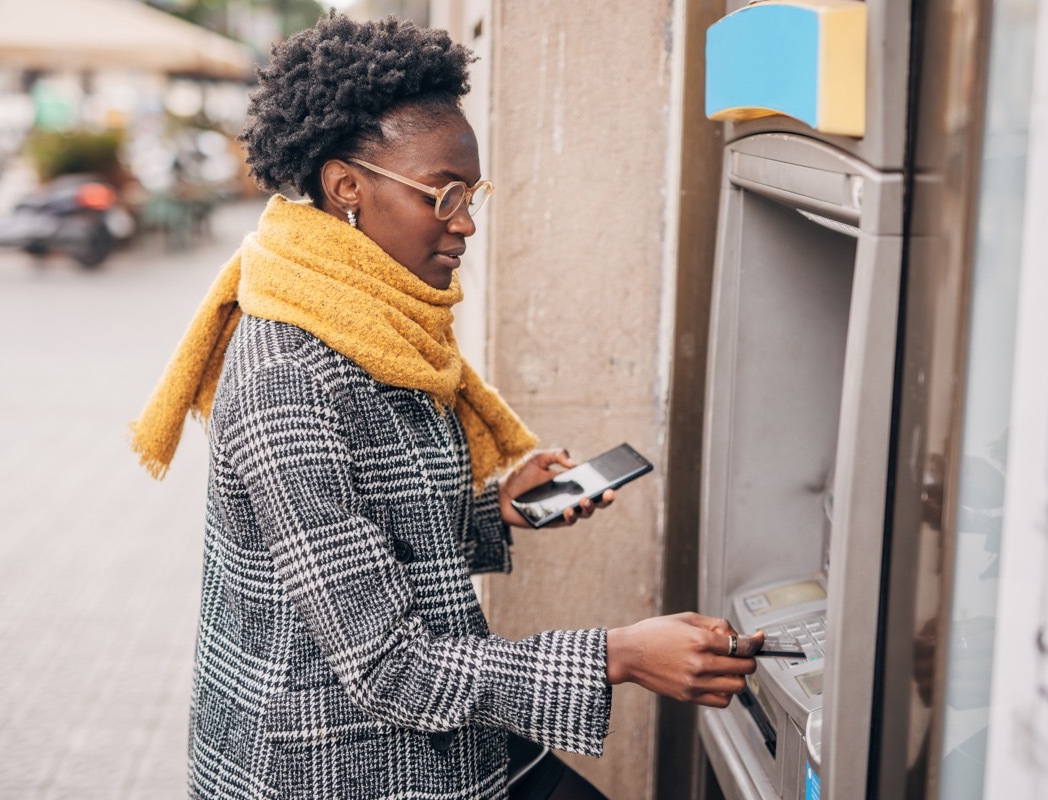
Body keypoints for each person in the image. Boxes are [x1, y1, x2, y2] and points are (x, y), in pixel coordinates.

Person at [129, 13, 760, 800]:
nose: (466, 221)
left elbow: (364, 536)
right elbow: (387, 664)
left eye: (473, 193)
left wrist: (497, 514)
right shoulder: (290, 378)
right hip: (329, 762)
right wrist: (618, 655)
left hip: (425, 735)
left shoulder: (372, 317)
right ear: (346, 187)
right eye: (445, 194)